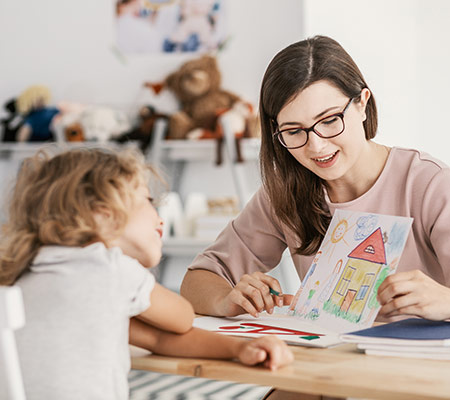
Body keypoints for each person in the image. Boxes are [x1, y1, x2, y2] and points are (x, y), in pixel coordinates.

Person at [181, 35, 450, 324]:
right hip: (328, 364)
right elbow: (198, 280)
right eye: (294, 131)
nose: (317, 147)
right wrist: (226, 299)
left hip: (421, 365)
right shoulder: (284, 192)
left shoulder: (430, 184)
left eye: (330, 120)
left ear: (362, 103)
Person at [0, 147, 293, 400]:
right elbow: (181, 318)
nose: (158, 216)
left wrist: (239, 348)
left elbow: (155, 340)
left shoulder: (21, 273)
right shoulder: (110, 268)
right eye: (148, 201)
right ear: (103, 214)